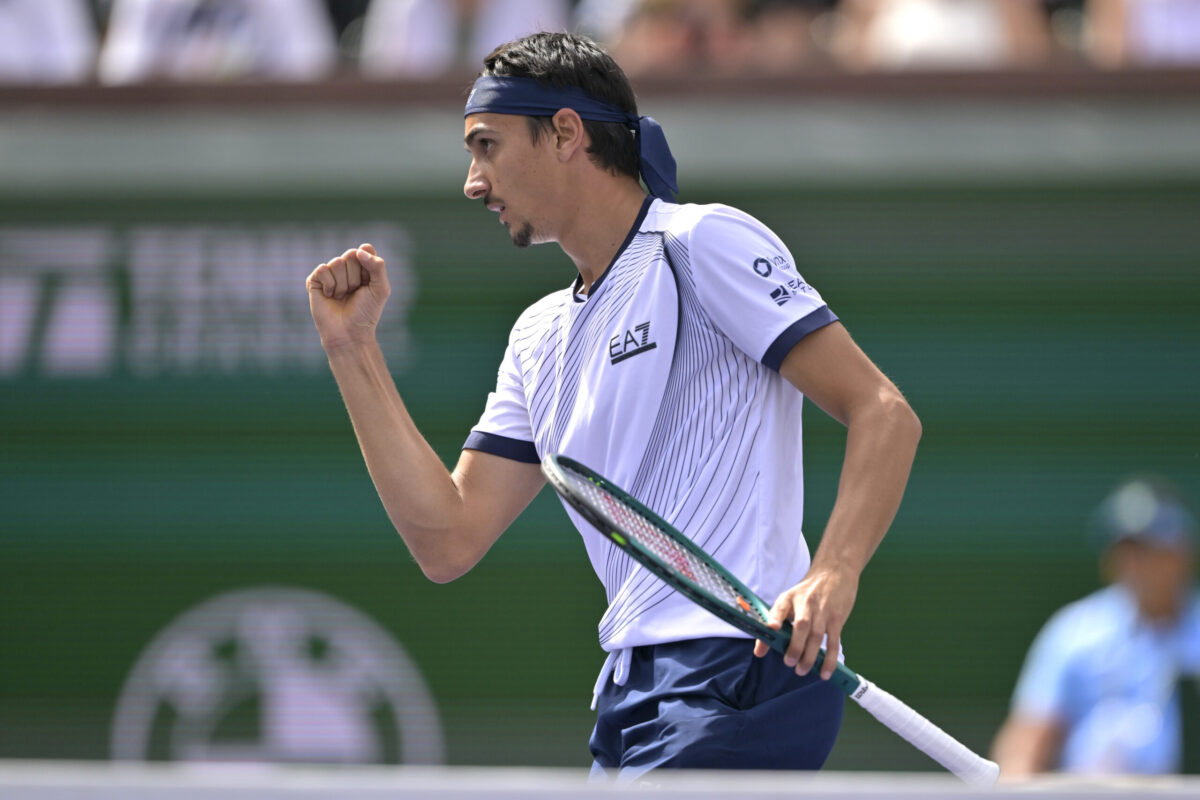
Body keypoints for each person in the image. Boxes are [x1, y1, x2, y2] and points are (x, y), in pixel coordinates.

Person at [305, 31, 922, 777]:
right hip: (632, 695)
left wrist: (834, 573)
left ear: (565, 132)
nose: (473, 182)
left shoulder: (700, 242)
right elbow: (447, 540)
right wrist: (352, 350)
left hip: (741, 672)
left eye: (487, 146)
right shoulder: (537, 336)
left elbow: (884, 412)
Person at [991, 476, 1200, 776]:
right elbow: (1024, 743)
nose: (1133, 563)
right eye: (1124, 549)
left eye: (1147, 548)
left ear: (1181, 552)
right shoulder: (1075, 632)